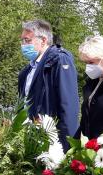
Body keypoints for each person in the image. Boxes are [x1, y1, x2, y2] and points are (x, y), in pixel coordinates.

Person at [17, 19, 79, 148]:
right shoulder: (27, 71)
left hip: (52, 142)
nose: (23, 45)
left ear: (43, 40)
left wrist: (66, 148)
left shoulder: (59, 61)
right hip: (31, 141)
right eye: (22, 40)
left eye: (27, 40)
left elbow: (67, 105)